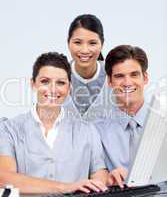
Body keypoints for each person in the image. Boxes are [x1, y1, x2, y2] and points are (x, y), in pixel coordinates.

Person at [0, 52, 108, 194]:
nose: (52, 89)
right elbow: (4, 178)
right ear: (33, 84)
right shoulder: (9, 129)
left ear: (69, 88)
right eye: (45, 81)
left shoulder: (87, 131)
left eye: (61, 83)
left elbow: (99, 178)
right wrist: (65, 188)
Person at [94, 45, 150, 188]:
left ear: (145, 78)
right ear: (110, 81)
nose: (127, 82)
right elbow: (95, 174)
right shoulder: (96, 131)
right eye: (119, 76)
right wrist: (107, 178)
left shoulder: (163, 122)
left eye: (134, 74)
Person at [66, 14, 113, 121]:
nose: (85, 50)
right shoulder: (58, 75)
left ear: (102, 44)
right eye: (78, 42)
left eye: (92, 43)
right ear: (68, 43)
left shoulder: (114, 74)